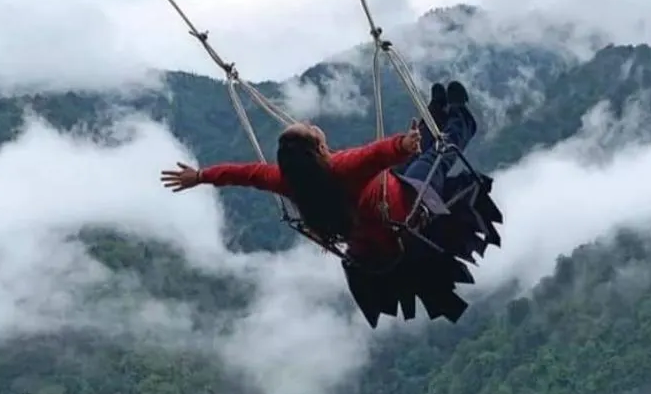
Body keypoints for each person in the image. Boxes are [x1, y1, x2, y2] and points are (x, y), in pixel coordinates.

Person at [160, 81, 478, 264]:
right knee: (438, 154)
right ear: (319, 149)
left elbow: (245, 173)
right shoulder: (345, 167)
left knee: (415, 155)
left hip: (374, 223)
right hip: (407, 206)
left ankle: (435, 112)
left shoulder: (289, 180)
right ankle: (462, 116)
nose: (314, 125)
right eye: (311, 130)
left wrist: (200, 176)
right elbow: (377, 153)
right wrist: (402, 144)